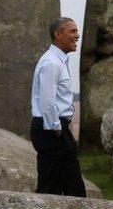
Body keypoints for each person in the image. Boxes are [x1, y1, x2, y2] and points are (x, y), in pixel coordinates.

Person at [30, 17, 86, 197]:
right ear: (57, 35)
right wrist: (55, 126)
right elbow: (47, 101)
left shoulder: (58, 60)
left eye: (76, 31)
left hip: (58, 128)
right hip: (51, 129)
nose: (77, 36)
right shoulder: (51, 63)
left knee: (74, 187)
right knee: (50, 188)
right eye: (72, 31)